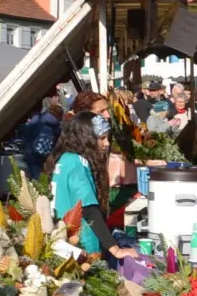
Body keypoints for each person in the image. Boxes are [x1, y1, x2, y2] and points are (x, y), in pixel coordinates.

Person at [46, 111, 135, 261]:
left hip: (64, 240)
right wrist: (116, 250)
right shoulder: (77, 162)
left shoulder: (64, 159)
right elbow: (88, 208)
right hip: (81, 245)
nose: (107, 144)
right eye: (102, 138)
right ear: (86, 139)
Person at [20, 102, 63, 179]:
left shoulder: (38, 118)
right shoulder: (57, 126)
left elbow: (26, 131)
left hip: (31, 151)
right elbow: (56, 142)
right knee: (40, 175)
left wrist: (24, 144)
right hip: (45, 154)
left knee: (32, 176)